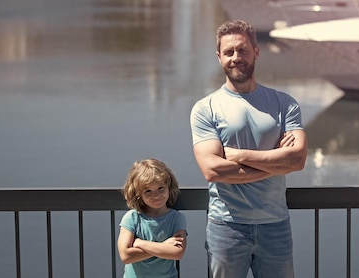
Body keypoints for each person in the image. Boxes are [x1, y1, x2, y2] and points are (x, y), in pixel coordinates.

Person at [189, 19, 307, 278]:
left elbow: (297, 160)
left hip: (275, 226)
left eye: (242, 50)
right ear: (219, 57)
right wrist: (275, 163)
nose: (236, 57)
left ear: (256, 51)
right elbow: (212, 170)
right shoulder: (205, 108)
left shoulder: (284, 104)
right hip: (227, 228)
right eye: (229, 52)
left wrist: (239, 155)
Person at [117, 158, 188, 278]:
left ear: (169, 187)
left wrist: (140, 243)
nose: (156, 195)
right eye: (148, 191)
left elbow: (177, 253)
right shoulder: (132, 218)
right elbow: (126, 256)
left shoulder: (176, 218)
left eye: (161, 188)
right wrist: (164, 247)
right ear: (138, 194)